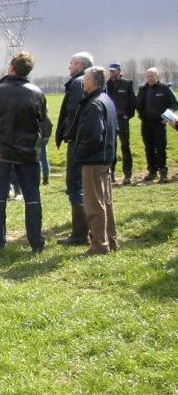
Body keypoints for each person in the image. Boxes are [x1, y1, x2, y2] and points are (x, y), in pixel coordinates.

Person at [0, 51, 51, 253]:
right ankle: (37, 243)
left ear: (11, 67)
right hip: (28, 155)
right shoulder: (37, 92)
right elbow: (46, 126)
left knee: (0, 199)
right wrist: (38, 147)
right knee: (33, 198)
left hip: (3, 154)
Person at [68, 66, 118, 254]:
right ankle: (110, 240)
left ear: (93, 81)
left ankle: (99, 245)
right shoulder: (107, 100)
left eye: (85, 78)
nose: (82, 81)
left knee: (94, 203)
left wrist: (80, 152)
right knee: (105, 202)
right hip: (105, 158)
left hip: (93, 160)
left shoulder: (95, 104)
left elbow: (94, 135)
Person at [55, 51, 94, 246]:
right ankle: (87, 230)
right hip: (82, 142)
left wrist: (69, 134)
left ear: (79, 65)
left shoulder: (78, 84)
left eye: (71, 63)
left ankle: (80, 234)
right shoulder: (83, 82)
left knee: (75, 185)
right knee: (80, 185)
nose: (69, 67)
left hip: (78, 143)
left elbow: (76, 113)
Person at [135, 67, 178, 183]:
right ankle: (152, 171)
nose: (149, 78)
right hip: (146, 124)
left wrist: (167, 117)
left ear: (157, 76)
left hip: (159, 124)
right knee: (148, 148)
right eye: (148, 76)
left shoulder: (164, 88)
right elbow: (137, 104)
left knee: (160, 148)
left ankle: (163, 173)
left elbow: (174, 104)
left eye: (151, 76)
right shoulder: (143, 89)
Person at [105, 62, 136, 184]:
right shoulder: (106, 85)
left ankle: (127, 174)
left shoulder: (127, 84)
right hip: (111, 119)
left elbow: (133, 101)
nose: (111, 73)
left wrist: (128, 115)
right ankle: (111, 173)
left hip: (122, 119)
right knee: (111, 146)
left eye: (113, 71)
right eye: (110, 71)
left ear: (119, 71)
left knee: (125, 146)